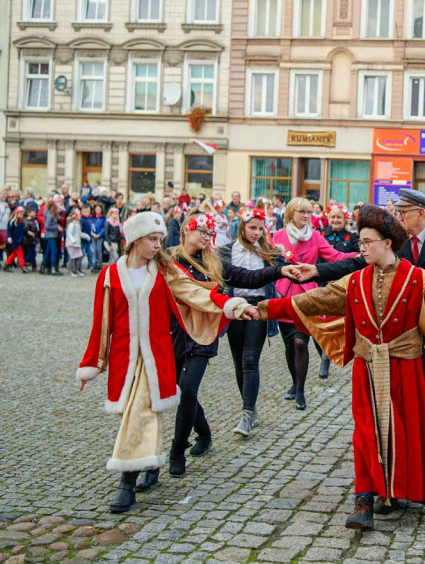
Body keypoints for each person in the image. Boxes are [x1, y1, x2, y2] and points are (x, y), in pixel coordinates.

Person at [257, 205, 425, 530]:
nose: (361, 248)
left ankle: (395, 490)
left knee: (403, 431)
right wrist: (264, 309)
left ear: (388, 242)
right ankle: (363, 501)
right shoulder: (353, 282)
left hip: (405, 369)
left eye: (367, 242)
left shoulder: (419, 281)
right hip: (366, 371)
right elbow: (314, 300)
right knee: (365, 432)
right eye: (361, 241)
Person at [76, 212, 258, 513]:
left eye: (160, 240)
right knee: (133, 416)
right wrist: (93, 362)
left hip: (155, 358)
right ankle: (151, 463)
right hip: (124, 361)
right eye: (152, 239)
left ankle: (127, 482)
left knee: (141, 413)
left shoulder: (164, 272)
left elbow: (198, 294)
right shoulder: (109, 276)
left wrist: (235, 306)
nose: (157, 245)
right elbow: (101, 322)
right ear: (134, 239)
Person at [294, 189, 425, 417]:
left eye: (403, 212)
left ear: (420, 213)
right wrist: (317, 270)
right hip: (398, 333)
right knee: (398, 403)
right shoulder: (394, 242)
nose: (399, 217)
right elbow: (355, 265)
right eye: (397, 211)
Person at [272, 198, 357, 409]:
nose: (306, 216)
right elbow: (268, 262)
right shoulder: (277, 236)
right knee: (289, 344)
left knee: (301, 342)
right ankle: (293, 382)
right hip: (284, 294)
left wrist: (360, 256)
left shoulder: (316, 237)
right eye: (302, 212)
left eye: (309, 213)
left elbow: (335, 256)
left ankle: (300, 390)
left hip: (308, 296)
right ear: (291, 213)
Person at [218, 208, 293, 437]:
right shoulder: (226, 251)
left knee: (251, 360)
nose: (257, 233)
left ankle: (247, 413)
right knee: (239, 362)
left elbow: (290, 268)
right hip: (235, 307)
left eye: (261, 229)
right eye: (252, 228)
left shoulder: (269, 251)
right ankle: (250, 408)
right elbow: (225, 277)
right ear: (242, 227)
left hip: (259, 308)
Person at [4, 206, 28, 273]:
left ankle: (7, 264)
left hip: (19, 240)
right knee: (20, 253)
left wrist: (28, 232)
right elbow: (9, 231)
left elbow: (23, 230)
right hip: (14, 241)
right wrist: (9, 237)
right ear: (16, 213)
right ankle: (23, 267)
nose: (21, 215)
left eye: (22, 214)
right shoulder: (12, 222)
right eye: (20, 214)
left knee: (14, 254)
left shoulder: (21, 222)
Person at [66, 208, 85, 277]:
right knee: (72, 257)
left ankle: (76, 269)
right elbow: (69, 233)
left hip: (77, 244)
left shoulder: (77, 224)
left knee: (79, 256)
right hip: (71, 244)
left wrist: (86, 236)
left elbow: (79, 233)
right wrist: (73, 241)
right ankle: (70, 271)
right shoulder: (72, 224)